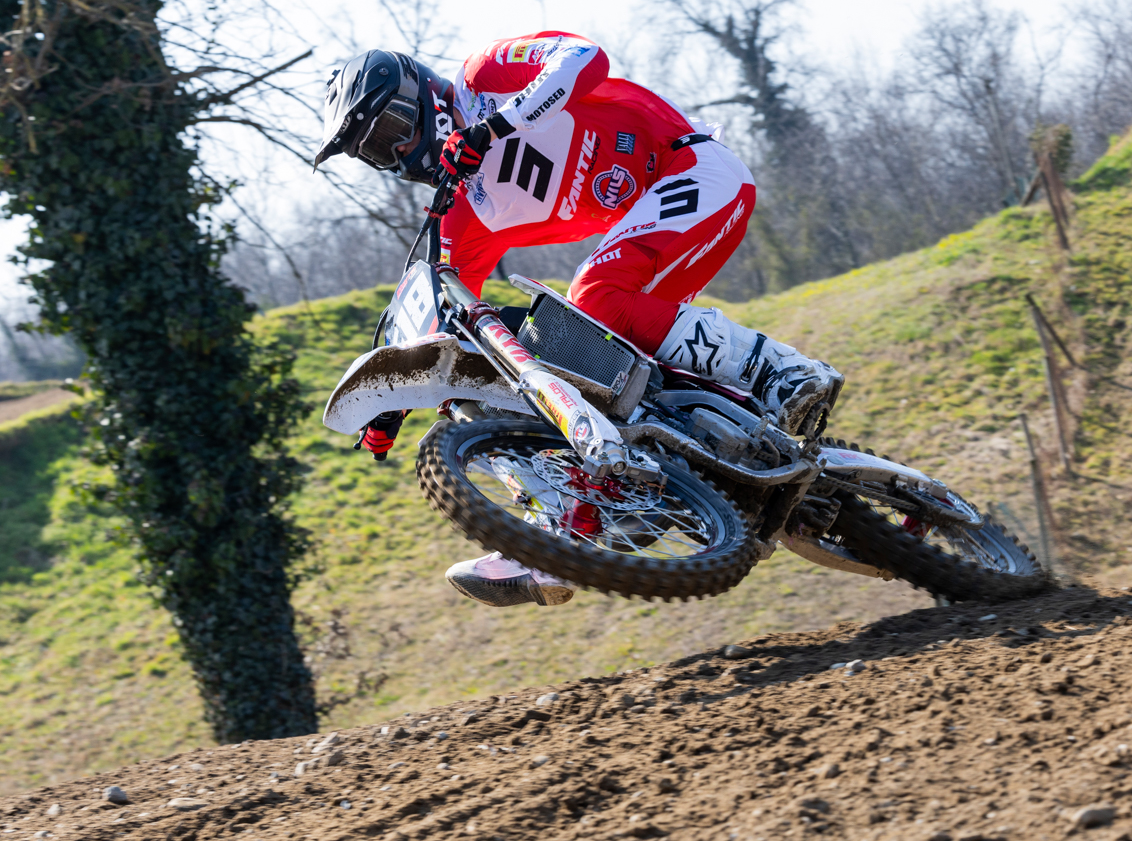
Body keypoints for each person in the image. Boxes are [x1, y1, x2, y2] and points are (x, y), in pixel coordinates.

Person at [313, 33, 841, 608]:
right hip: (656, 228)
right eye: (376, 153)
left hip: (691, 168)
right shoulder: (465, 209)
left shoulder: (483, 76)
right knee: (573, 361)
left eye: (391, 131)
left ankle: (784, 372)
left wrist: (494, 127)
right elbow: (441, 316)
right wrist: (393, 397)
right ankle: (579, 520)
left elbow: (584, 59)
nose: (396, 154)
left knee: (592, 297)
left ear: (419, 94)